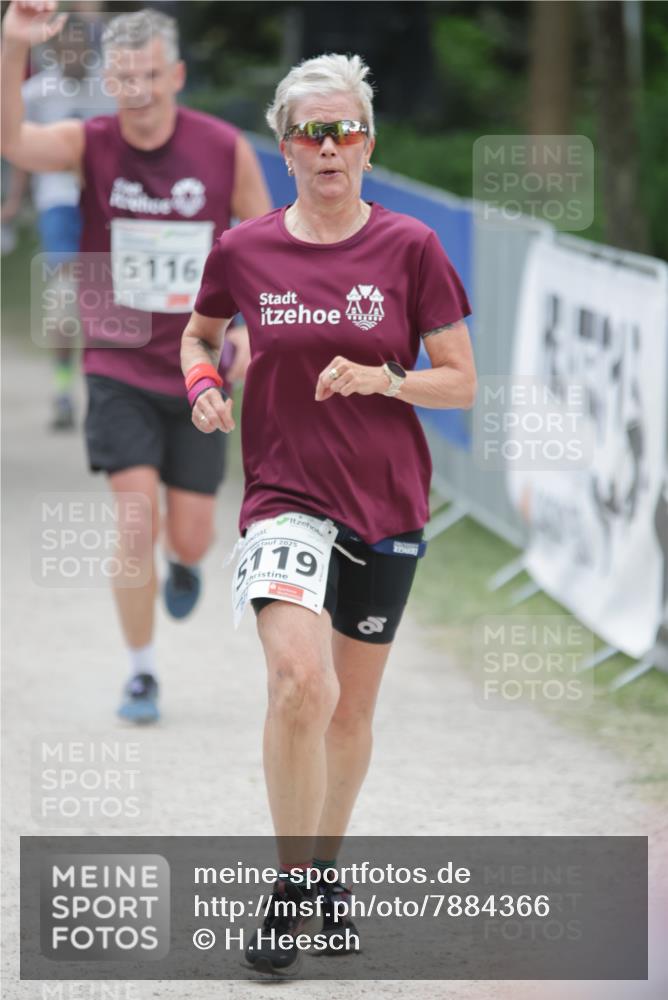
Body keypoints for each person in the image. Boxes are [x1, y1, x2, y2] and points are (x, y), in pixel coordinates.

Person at [181, 53, 476, 976]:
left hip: (386, 500)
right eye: (310, 133)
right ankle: (288, 887)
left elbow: (461, 383)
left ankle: (325, 871)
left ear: (369, 145)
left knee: (350, 713)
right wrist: (202, 383)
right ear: (285, 149)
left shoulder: (412, 248)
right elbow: (199, 334)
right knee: (299, 684)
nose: (329, 148)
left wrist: (387, 379)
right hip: (284, 498)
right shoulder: (244, 250)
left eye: (345, 131)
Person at [1, 1, 272, 722]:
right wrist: (11, 45)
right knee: (134, 520)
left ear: (175, 75)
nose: (138, 90)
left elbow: (265, 239)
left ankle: (184, 565)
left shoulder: (222, 149)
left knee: (190, 534)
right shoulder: (89, 142)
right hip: (117, 357)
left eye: (150, 75)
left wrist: (251, 330)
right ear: (108, 82)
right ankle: (142, 673)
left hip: (198, 365)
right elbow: (13, 141)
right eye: (124, 77)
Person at [21, 10, 114, 430]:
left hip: (106, 205)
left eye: (81, 45)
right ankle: (62, 391)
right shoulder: (37, 92)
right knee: (64, 302)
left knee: (104, 300)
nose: (74, 53)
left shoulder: (110, 87)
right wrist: (14, 199)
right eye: (66, 46)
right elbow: (19, 146)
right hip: (58, 203)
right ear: (55, 48)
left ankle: (103, 388)